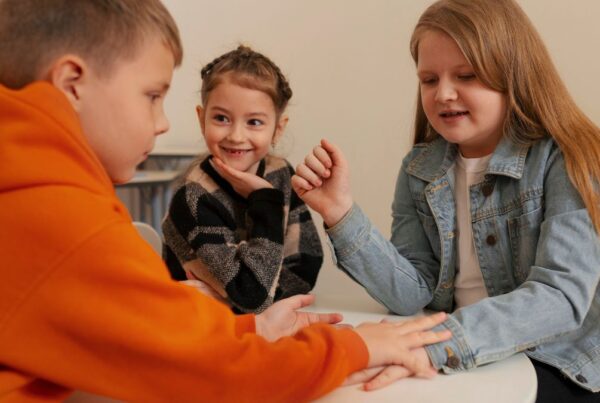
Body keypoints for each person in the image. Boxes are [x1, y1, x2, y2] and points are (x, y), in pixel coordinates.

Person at [0, 0, 452, 401]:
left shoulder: (38, 189)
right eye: (152, 96)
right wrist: (359, 346)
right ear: (72, 84)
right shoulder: (68, 219)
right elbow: (210, 366)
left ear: (277, 127)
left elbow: (163, 331)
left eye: (255, 122)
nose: (160, 124)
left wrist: (249, 328)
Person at [292, 0, 600, 401]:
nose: (444, 93)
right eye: (429, 79)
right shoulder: (420, 169)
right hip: (456, 352)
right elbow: (412, 292)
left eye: (466, 75)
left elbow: (559, 298)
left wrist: (431, 345)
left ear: (515, 75)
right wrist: (340, 213)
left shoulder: (568, 158)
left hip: (559, 360)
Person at [162, 46, 323, 314]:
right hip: (197, 328)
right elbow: (251, 294)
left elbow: (306, 264)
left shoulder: (280, 172)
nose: (236, 135)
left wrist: (237, 298)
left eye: (254, 122)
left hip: (250, 324)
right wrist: (267, 203)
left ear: (277, 129)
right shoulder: (193, 197)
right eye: (221, 118)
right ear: (202, 119)